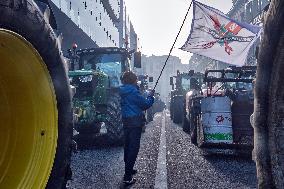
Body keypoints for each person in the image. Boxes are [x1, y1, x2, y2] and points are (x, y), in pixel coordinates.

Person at [120, 71, 154, 185]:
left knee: (127, 146)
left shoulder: (122, 90)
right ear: (133, 81)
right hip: (135, 122)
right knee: (133, 148)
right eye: (135, 80)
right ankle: (127, 176)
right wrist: (151, 97)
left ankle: (129, 169)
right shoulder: (133, 92)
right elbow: (145, 104)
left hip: (126, 122)